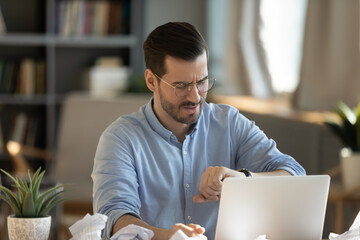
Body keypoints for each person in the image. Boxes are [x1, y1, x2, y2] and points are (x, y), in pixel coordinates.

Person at [92, 22, 306, 240]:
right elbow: (114, 218)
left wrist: (243, 178)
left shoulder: (229, 123)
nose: (195, 96)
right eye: (181, 86)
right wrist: (168, 237)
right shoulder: (120, 138)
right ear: (151, 81)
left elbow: (294, 174)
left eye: (202, 82)